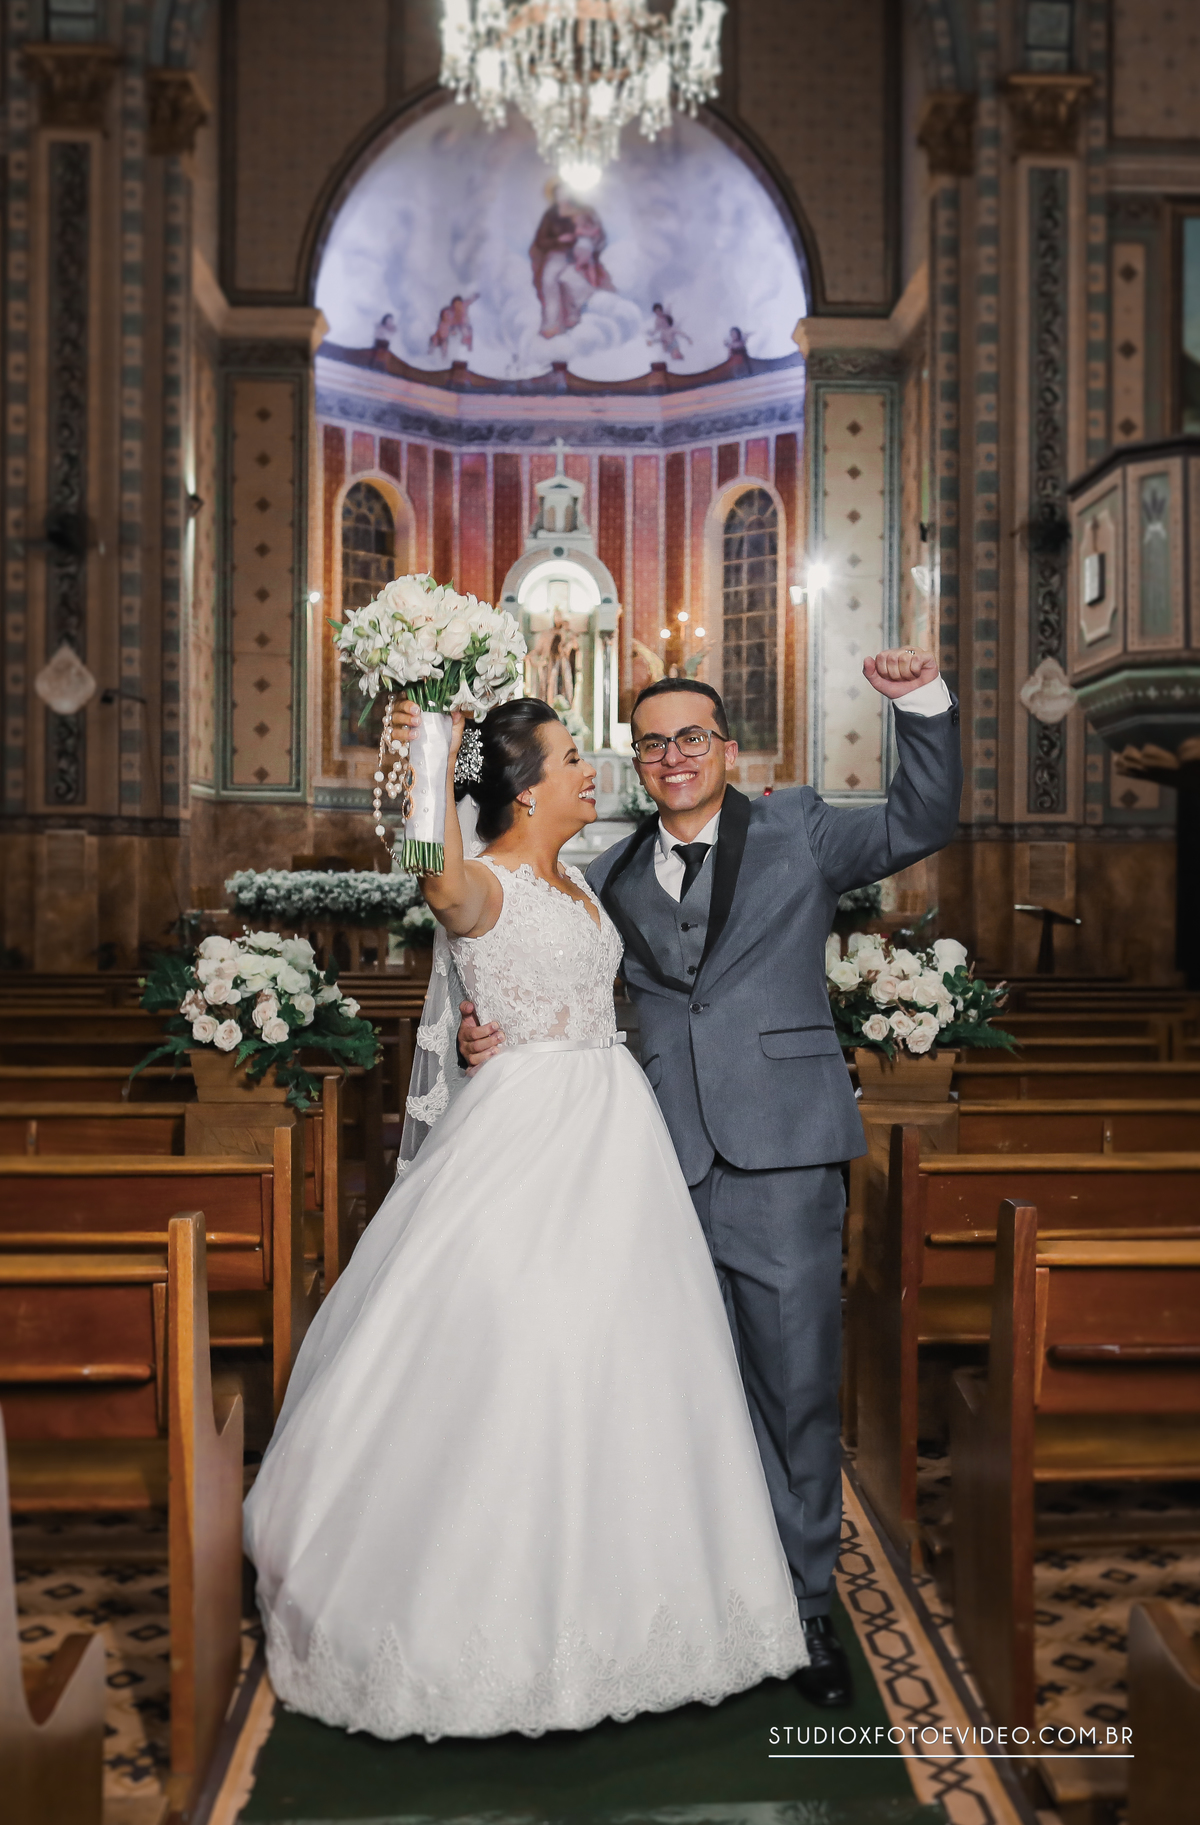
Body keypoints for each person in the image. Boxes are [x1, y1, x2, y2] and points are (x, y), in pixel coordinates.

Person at [243, 697, 809, 1743]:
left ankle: (644, 1600)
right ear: (525, 788)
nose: (593, 768)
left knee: (635, 1358)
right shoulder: (481, 883)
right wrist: (433, 750)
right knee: (527, 1345)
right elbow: (431, 871)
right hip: (525, 1135)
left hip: (615, 1130)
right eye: (572, 757)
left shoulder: (583, 881)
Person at [457, 647, 963, 1708]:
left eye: (692, 736)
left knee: (794, 1388)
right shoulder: (603, 876)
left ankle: (807, 1604)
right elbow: (555, 984)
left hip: (782, 1154)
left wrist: (921, 702)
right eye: (651, 743)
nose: (672, 756)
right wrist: (485, 1032)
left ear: (728, 748)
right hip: (648, 1162)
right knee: (676, 1391)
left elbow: (922, 818)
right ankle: (704, 1602)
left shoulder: (802, 828)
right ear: (635, 761)